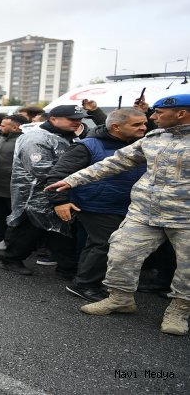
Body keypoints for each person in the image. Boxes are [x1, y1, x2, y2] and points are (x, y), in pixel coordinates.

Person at [47, 94, 190, 335]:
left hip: (185, 217)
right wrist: (71, 181)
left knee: (187, 268)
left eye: (158, 114)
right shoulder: (154, 139)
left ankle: (180, 309)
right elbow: (114, 163)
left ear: (181, 114)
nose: (152, 119)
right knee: (120, 252)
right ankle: (120, 298)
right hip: (144, 213)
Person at [46, 108, 148, 302]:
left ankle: (91, 281)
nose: (144, 128)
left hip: (131, 206)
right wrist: (60, 202)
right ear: (116, 127)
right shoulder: (87, 146)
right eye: (137, 124)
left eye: (144, 123)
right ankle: (84, 284)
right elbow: (58, 175)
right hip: (97, 205)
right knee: (105, 244)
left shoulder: (142, 145)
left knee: (98, 244)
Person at [1, 104, 86, 276]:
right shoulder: (36, 138)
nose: (78, 122)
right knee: (29, 229)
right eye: (72, 119)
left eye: (80, 119)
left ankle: (67, 268)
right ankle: (11, 259)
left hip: (59, 191)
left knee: (60, 230)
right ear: (53, 119)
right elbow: (40, 168)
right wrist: (77, 177)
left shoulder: (69, 137)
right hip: (34, 195)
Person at [0, 115, 29, 250]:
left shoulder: (24, 141)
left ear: (14, 127)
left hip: (14, 187)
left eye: (3, 125)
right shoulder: (0, 138)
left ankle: (16, 246)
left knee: (17, 217)